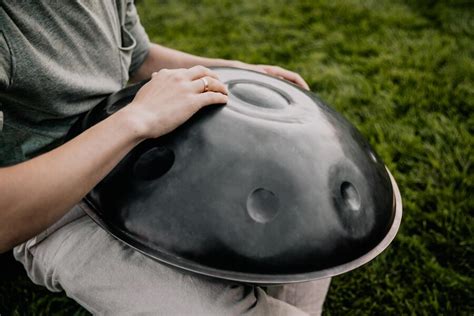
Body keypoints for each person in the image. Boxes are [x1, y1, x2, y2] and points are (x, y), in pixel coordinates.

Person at [0, 1, 330, 315]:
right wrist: (136, 119)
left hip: (136, 150)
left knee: (310, 195)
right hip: (57, 208)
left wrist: (232, 73)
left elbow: (138, 57)